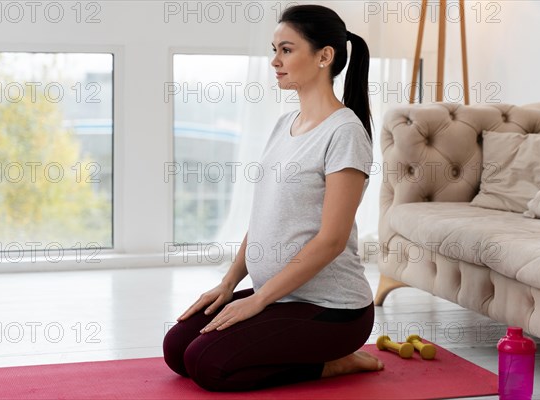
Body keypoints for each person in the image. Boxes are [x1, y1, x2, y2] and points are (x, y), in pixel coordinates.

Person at [163, 4, 382, 392]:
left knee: (207, 364)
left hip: (333, 309)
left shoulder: (344, 132)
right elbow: (265, 216)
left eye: (286, 49)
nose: (274, 61)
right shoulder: (286, 124)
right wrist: (229, 284)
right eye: (274, 49)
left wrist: (260, 299)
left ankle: (335, 362)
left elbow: (331, 240)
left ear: (324, 56)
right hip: (283, 297)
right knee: (178, 348)